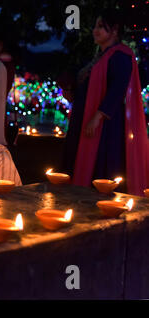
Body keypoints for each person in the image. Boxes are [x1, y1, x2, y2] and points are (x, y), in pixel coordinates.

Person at [61, 9, 149, 196]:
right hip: (85, 119)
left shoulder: (121, 55)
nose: (95, 30)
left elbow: (117, 89)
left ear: (115, 30)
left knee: (100, 169)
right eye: (95, 26)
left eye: (101, 27)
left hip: (105, 126)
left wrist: (98, 116)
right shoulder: (97, 58)